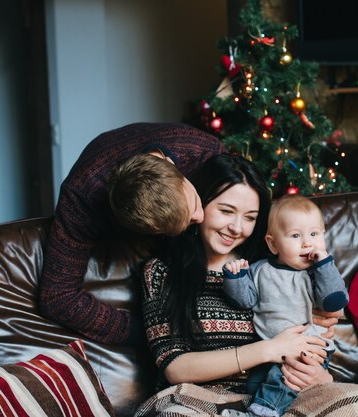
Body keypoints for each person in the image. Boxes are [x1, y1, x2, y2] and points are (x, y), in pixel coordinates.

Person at [136, 154, 335, 416]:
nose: (237, 228)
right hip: (196, 399)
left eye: (250, 217)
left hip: (279, 396)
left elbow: (317, 334)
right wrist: (269, 349)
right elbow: (174, 368)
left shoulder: (269, 268)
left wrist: (321, 378)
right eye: (226, 211)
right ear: (201, 202)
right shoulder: (162, 271)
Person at [39, 122, 225, 346]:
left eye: (194, 203)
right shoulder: (80, 198)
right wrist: (150, 332)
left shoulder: (203, 150)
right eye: (189, 221)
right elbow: (58, 297)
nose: (201, 217)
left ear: (175, 168)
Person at [221, 194, 349, 417]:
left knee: (283, 380)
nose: (307, 243)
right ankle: (276, 407)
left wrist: (325, 264)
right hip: (270, 346)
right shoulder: (260, 270)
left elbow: (334, 301)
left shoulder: (316, 273)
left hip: (308, 345)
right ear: (273, 244)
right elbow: (245, 300)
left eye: (315, 234)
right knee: (256, 387)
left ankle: (261, 414)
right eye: (296, 235)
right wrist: (236, 278)